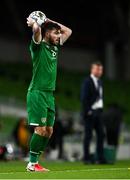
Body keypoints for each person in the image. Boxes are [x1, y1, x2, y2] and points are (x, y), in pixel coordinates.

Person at [26, 12, 72, 172]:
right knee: (40, 129)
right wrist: (35, 23)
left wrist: (49, 20)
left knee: (49, 131)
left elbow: (69, 31)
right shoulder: (38, 46)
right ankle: (31, 163)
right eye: (55, 32)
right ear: (47, 33)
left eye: (58, 33)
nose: (59, 35)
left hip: (49, 94)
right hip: (37, 92)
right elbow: (36, 32)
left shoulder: (55, 47)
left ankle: (36, 161)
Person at [80, 61, 106, 164]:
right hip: (90, 113)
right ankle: (86, 158)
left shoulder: (100, 82)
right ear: (92, 70)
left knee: (101, 135)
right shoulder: (87, 81)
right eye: (97, 69)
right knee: (88, 136)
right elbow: (83, 98)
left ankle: (100, 158)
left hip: (98, 113)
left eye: (100, 69)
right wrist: (88, 111)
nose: (99, 71)